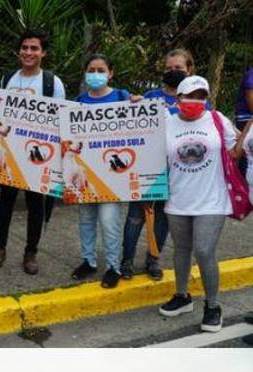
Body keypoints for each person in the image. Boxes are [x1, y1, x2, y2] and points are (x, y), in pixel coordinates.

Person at [159, 75, 235, 333]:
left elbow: (236, 151)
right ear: (177, 98)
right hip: (178, 198)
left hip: (212, 199)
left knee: (203, 251)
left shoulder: (217, 119)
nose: (195, 101)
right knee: (181, 249)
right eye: (189, 95)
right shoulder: (166, 123)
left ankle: (212, 306)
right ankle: (182, 296)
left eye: (201, 96)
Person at [0, 30, 65, 274]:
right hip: (11, 152)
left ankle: (30, 252)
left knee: (36, 204)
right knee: (5, 202)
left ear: (43, 53)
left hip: (39, 153)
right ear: (19, 51)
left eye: (34, 48)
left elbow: (61, 119)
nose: (28, 52)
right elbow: (1, 115)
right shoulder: (8, 78)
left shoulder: (52, 82)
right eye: (25, 47)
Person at [123, 50, 199, 280]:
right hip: (146, 167)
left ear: (189, 70)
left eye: (179, 69)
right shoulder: (150, 95)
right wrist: (133, 105)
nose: (173, 72)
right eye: (169, 68)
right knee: (136, 215)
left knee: (163, 219)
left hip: (176, 171)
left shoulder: (195, 100)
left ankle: (153, 259)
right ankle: (126, 259)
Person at [72, 54, 134, 289]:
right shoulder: (78, 101)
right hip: (85, 174)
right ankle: (88, 261)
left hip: (113, 177)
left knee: (109, 222)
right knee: (86, 220)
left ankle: (112, 266)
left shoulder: (122, 98)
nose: (95, 74)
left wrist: (138, 104)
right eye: (91, 69)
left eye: (101, 69)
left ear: (111, 73)